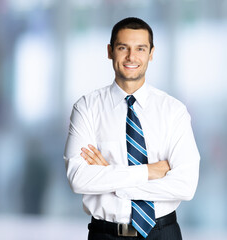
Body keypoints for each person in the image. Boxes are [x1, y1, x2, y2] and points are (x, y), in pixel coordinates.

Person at [63, 17, 200, 240]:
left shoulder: (174, 111)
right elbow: (78, 179)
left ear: (151, 53)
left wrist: (113, 180)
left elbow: (186, 186)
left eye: (140, 49)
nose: (131, 57)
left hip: (163, 233)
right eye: (122, 48)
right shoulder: (87, 108)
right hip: (105, 234)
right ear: (110, 51)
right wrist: (148, 172)